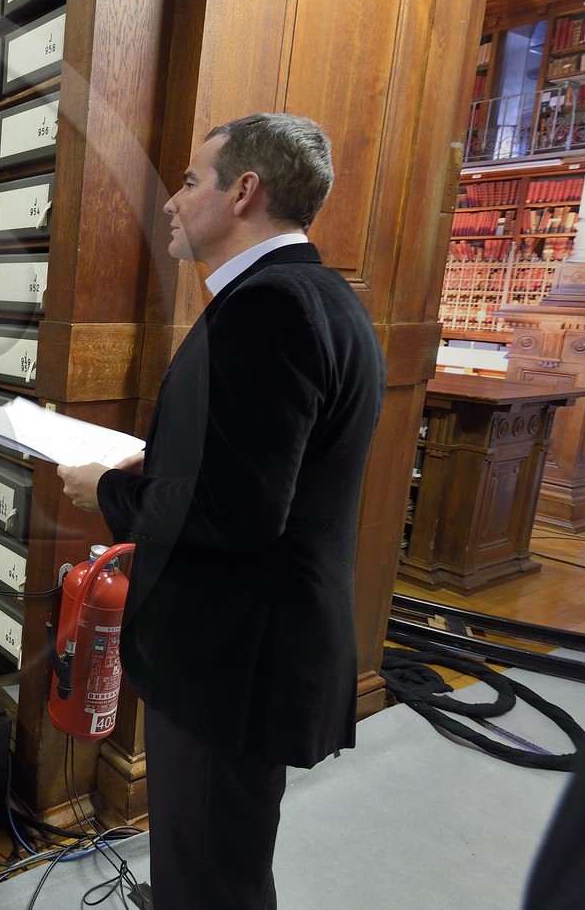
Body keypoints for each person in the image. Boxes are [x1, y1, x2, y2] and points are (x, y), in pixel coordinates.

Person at [56, 113, 385, 910]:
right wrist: (160, 462)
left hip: (229, 660)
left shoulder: (267, 312)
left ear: (246, 191)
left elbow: (236, 514)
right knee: (217, 857)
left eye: (191, 181)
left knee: (211, 875)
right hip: (254, 647)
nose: (171, 201)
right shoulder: (314, 295)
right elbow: (265, 468)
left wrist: (106, 490)